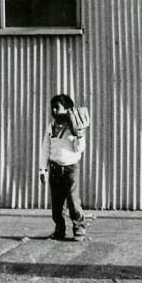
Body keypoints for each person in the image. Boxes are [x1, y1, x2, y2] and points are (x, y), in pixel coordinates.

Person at [37, 93, 87, 241]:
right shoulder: (51, 127)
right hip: (55, 169)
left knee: (73, 200)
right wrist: (43, 170)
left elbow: (79, 149)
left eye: (57, 108)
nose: (53, 111)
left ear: (67, 109)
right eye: (52, 108)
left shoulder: (73, 127)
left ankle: (79, 228)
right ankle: (59, 229)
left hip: (71, 169)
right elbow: (45, 149)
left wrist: (79, 136)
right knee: (57, 204)